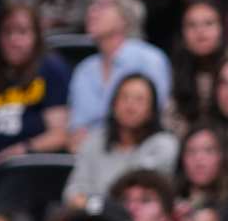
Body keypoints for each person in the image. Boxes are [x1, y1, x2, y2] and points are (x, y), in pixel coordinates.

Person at [0, 2, 71, 161]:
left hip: (32, 161)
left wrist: (23, 150)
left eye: (22, 32)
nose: (13, 40)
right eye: (6, 32)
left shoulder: (52, 70)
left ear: (36, 37)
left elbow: (60, 134)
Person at [64, 0, 173, 144]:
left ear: (125, 18)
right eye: (91, 5)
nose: (91, 11)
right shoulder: (85, 69)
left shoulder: (149, 59)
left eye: (102, 6)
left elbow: (155, 117)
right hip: (89, 155)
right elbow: (76, 129)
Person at [65, 74, 180, 205]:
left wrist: (92, 203)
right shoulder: (94, 141)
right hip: (92, 219)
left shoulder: (163, 144)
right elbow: (73, 189)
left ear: (151, 111)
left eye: (139, 100)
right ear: (113, 105)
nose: (130, 106)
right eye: (124, 98)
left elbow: (131, 190)